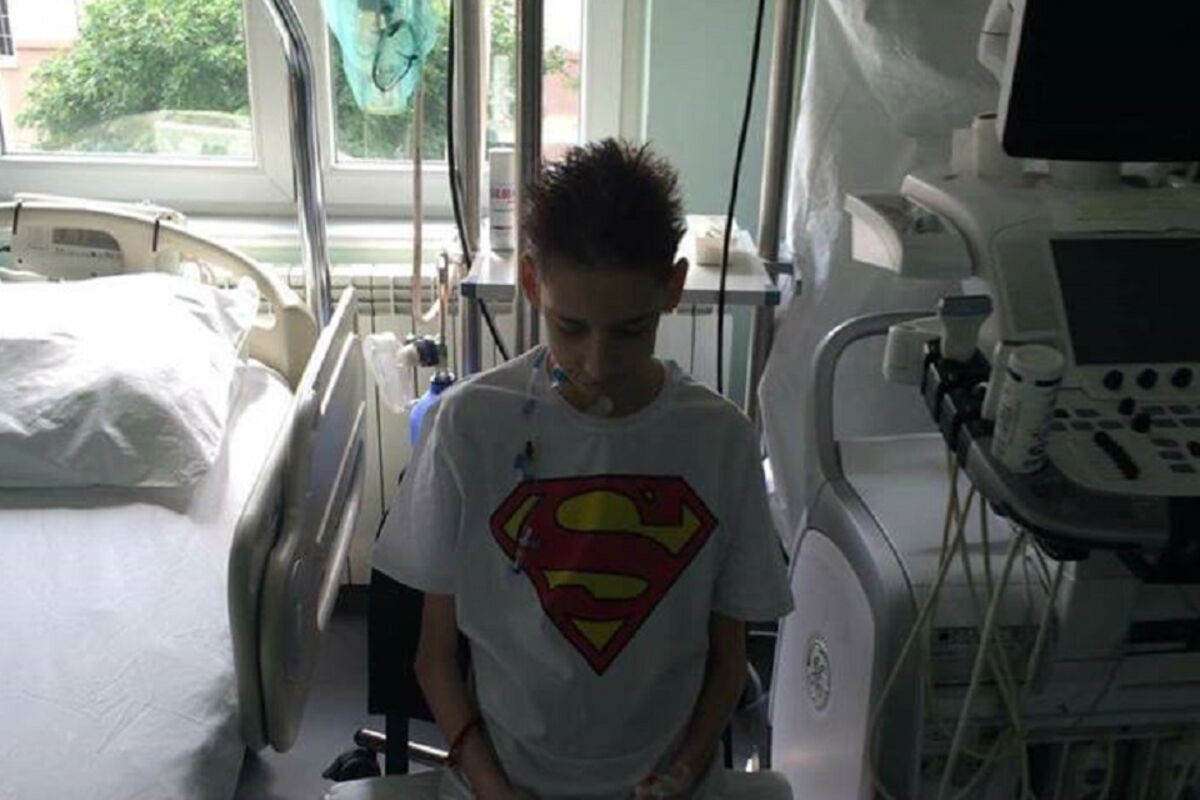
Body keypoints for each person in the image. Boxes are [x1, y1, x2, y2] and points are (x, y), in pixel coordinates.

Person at [374, 138, 793, 800]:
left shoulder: (720, 442)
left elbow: (728, 661)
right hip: (506, 779)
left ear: (673, 288)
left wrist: (682, 774)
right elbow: (434, 659)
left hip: (668, 780)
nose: (597, 362)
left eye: (629, 330)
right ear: (531, 283)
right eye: (570, 328)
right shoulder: (472, 426)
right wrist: (494, 790)